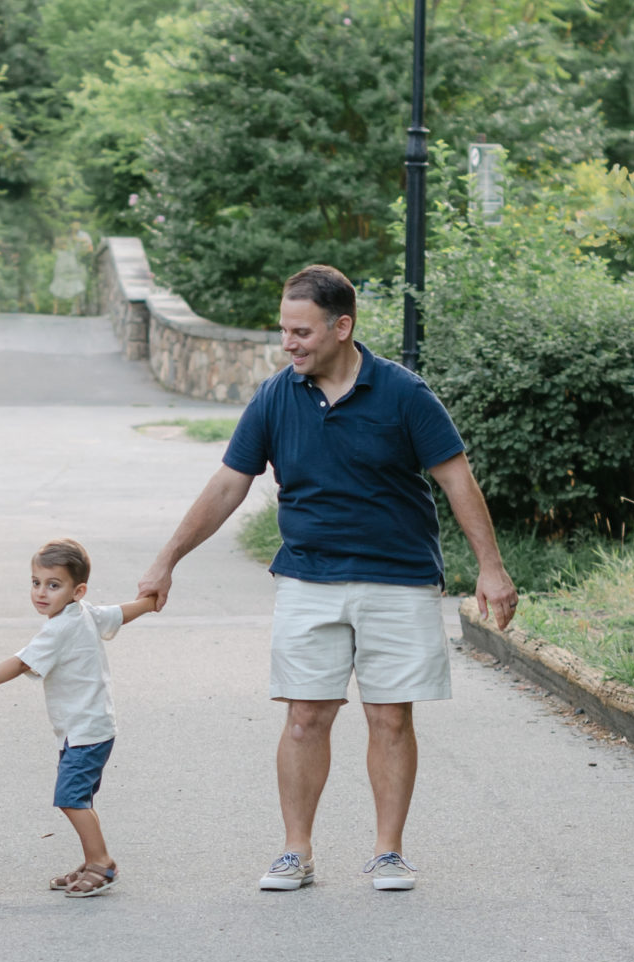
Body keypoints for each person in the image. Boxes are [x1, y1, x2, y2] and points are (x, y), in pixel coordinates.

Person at [135, 264, 516, 894]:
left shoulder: (404, 394)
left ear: (342, 327)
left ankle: (388, 852)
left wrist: (492, 568)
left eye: (301, 331)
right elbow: (230, 483)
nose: (289, 343)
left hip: (398, 579)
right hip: (309, 580)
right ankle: (296, 851)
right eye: (285, 330)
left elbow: (456, 481)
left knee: (391, 717)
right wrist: (167, 558)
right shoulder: (275, 396)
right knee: (305, 717)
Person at [0, 539, 159, 898]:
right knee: (79, 798)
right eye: (36, 582)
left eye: (53, 585)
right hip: (89, 728)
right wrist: (150, 603)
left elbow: (19, 663)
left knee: (70, 798)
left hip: (85, 731)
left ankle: (102, 863)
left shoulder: (59, 628)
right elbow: (119, 613)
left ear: (77, 590)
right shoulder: (84, 613)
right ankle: (94, 859)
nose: (41, 593)